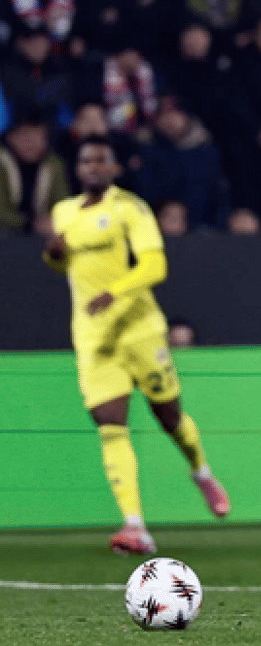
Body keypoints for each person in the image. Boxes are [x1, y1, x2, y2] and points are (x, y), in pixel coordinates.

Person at [41, 137, 231, 555]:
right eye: (85, 159)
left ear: (113, 168)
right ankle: (135, 526)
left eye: (100, 159)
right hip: (93, 337)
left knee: (169, 417)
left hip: (138, 329)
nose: (92, 166)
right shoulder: (64, 212)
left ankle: (200, 471)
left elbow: (155, 265)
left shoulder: (131, 208)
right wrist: (54, 256)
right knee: (111, 426)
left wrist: (115, 290)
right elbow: (63, 265)